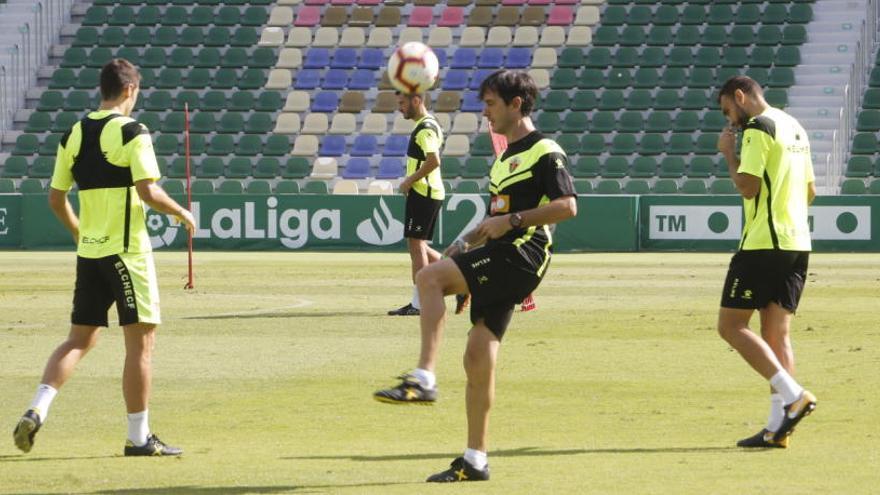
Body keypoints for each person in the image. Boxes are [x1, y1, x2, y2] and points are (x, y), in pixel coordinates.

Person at [374, 70, 577, 482]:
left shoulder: (545, 150)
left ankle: (424, 377)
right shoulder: (505, 158)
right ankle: (475, 460)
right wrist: (465, 244)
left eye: (490, 104)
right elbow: (495, 218)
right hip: (501, 253)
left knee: (429, 279)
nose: (485, 112)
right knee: (478, 356)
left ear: (515, 104)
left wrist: (515, 221)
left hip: (523, 253)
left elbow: (567, 206)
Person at [12, 59, 196, 457]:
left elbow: (56, 198)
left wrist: (79, 231)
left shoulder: (73, 133)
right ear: (130, 90)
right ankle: (139, 438)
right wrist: (181, 212)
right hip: (127, 252)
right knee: (141, 345)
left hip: (90, 253)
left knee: (78, 339)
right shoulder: (133, 131)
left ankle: (37, 408)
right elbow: (148, 192)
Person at [716, 75, 817, 449]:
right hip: (797, 242)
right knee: (777, 334)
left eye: (729, 110)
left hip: (763, 243)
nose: (731, 122)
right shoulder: (795, 127)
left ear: (740, 96)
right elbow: (810, 192)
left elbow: (747, 185)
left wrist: (730, 153)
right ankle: (779, 428)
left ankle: (793, 395)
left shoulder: (759, 126)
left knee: (731, 326)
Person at [386, 91, 447, 317]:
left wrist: (409, 181)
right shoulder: (426, 125)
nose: (400, 107)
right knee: (418, 245)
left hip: (424, 192)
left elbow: (434, 161)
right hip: (425, 192)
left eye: (402, 103)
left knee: (416, 246)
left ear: (416, 100)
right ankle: (461, 273)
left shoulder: (426, 128)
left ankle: (420, 302)